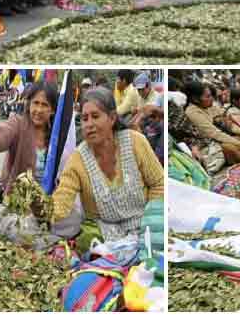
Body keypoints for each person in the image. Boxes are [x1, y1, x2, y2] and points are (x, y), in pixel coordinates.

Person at [50, 88, 163, 249]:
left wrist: (152, 221)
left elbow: (158, 183)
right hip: (104, 232)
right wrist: (42, 208)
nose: (89, 124)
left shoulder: (135, 142)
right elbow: (62, 201)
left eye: (95, 116)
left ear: (111, 118)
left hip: (144, 223)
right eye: (84, 118)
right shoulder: (77, 159)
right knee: (86, 242)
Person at [0, 82, 58, 191]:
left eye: (44, 105)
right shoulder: (18, 124)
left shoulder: (56, 136)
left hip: (45, 201)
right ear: (29, 104)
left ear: (53, 110)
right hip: (16, 199)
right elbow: (0, 136)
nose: (39, 110)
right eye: (36, 103)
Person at [184, 80, 240, 168]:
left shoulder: (210, 106)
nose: (212, 99)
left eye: (211, 95)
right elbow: (214, 133)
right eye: (208, 96)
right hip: (210, 144)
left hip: (223, 137)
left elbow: (227, 122)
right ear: (195, 99)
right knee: (230, 147)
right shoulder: (192, 112)